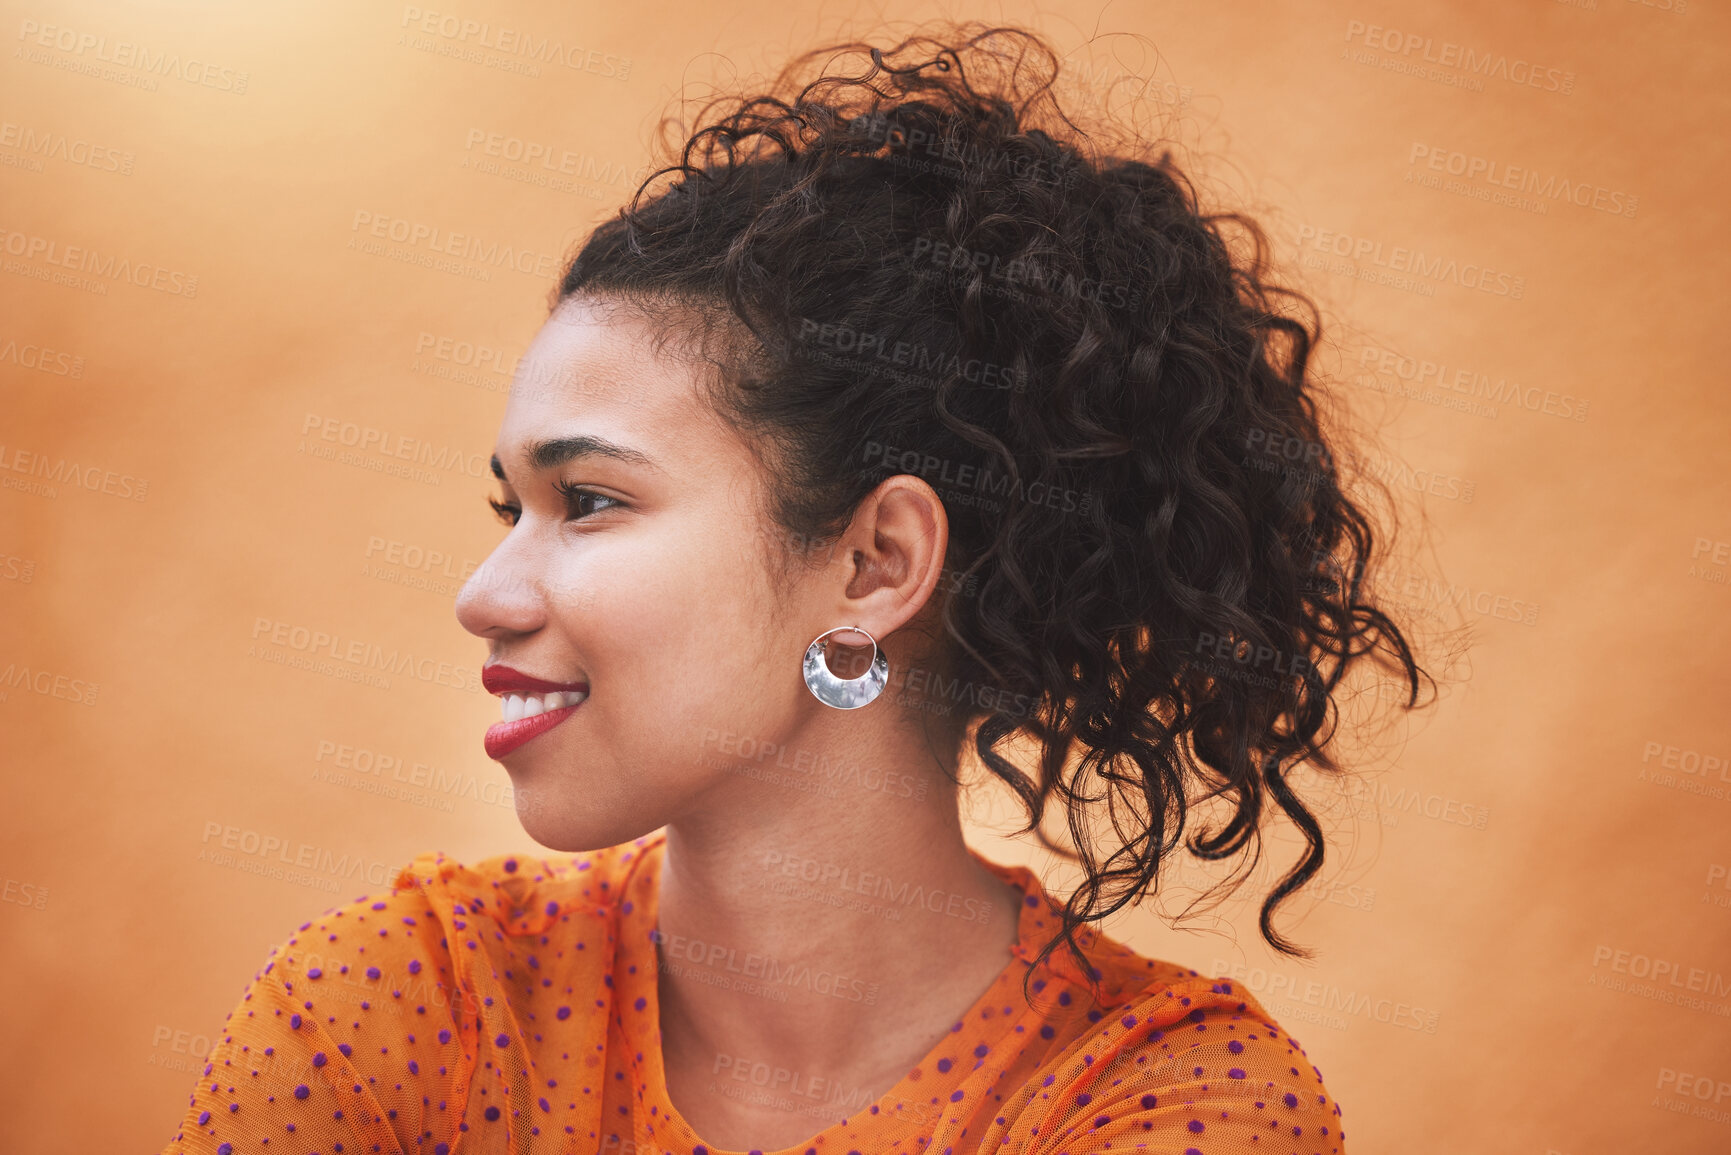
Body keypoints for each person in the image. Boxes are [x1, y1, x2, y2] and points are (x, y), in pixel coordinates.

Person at [161, 21, 1427, 1155]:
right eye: (511, 508)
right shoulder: (406, 1005)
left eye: (589, 502)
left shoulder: (1165, 1099)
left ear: (874, 565)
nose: (483, 595)